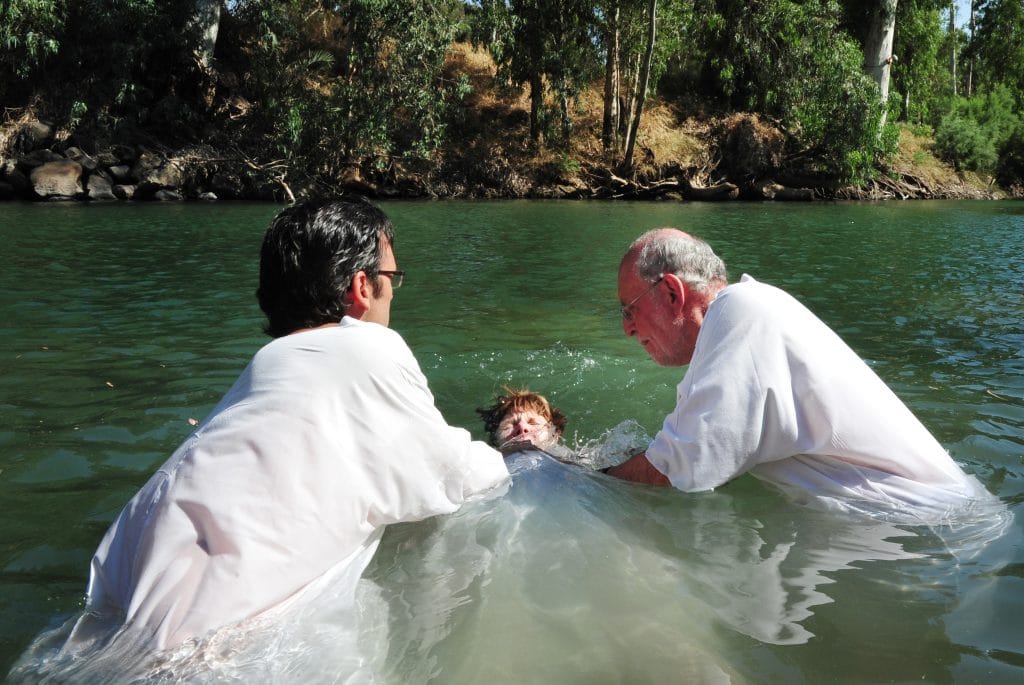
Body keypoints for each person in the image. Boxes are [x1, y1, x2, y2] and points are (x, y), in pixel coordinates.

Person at [71, 197, 510, 651]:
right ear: (362, 287)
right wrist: (515, 456)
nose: (394, 292)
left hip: (102, 637)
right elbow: (451, 475)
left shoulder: (262, 371)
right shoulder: (367, 349)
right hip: (220, 652)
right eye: (392, 278)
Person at [607, 228, 992, 515]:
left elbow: (682, 464)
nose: (626, 328)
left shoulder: (740, 309)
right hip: (932, 525)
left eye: (629, 309)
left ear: (673, 293)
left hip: (932, 528)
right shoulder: (744, 322)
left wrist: (575, 474)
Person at [476, 388, 574, 460]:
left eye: (533, 423)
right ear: (495, 440)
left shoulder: (578, 465)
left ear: (554, 435)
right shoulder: (477, 469)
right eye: (509, 425)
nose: (522, 427)